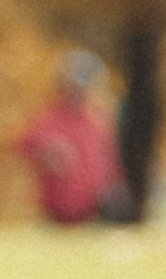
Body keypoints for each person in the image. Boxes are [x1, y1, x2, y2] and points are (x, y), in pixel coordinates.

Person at [14, 52, 129, 225]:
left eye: (84, 88)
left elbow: (109, 163)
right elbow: (23, 143)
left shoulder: (99, 120)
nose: (78, 93)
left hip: (93, 208)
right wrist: (46, 151)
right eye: (73, 87)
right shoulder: (49, 117)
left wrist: (113, 188)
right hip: (57, 208)